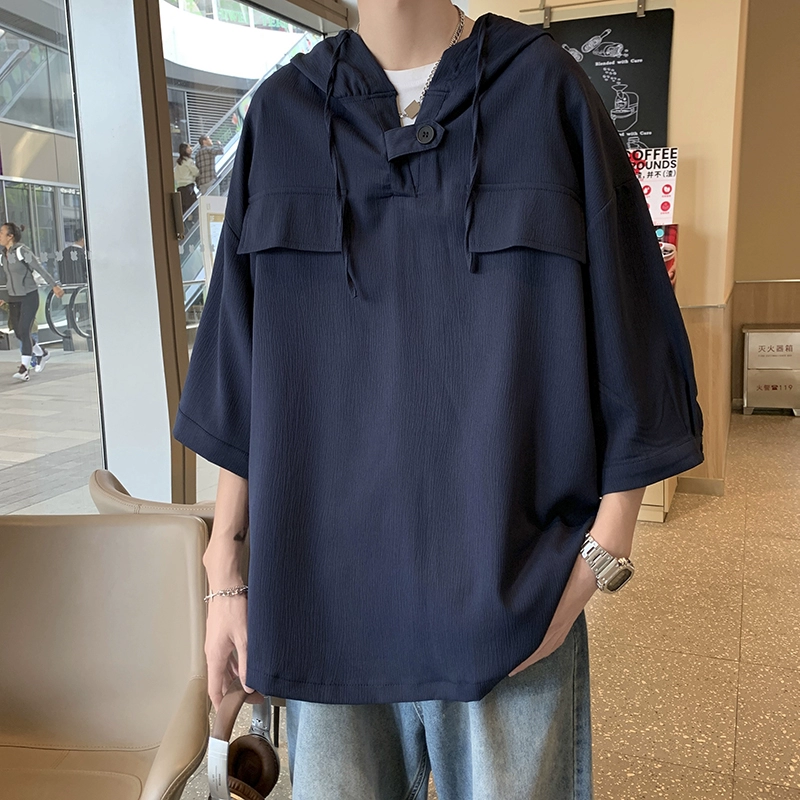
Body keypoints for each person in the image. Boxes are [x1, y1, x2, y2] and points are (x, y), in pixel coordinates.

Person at [174, 3, 703, 798]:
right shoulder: (282, 114)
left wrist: (603, 555)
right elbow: (242, 371)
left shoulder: (545, 90)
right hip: (326, 609)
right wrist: (224, 570)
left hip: (511, 600)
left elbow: (633, 334)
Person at [0, 222, 64, 382]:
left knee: (24, 330)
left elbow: (40, 268)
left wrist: (54, 285)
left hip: (29, 296)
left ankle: (24, 369)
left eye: (1, 232)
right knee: (18, 333)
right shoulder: (4, 255)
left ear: (10, 236)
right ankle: (42, 353)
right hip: (14, 297)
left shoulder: (22, 251)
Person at [174, 143, 199, 214]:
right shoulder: (188, 161)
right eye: (189, 147)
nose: (191, 149)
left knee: (184, 209)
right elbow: (196, 172)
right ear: (185, 150)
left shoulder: (178, 162)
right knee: (192, 208)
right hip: (188, 187)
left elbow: (175, 175)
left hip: (180, 187)